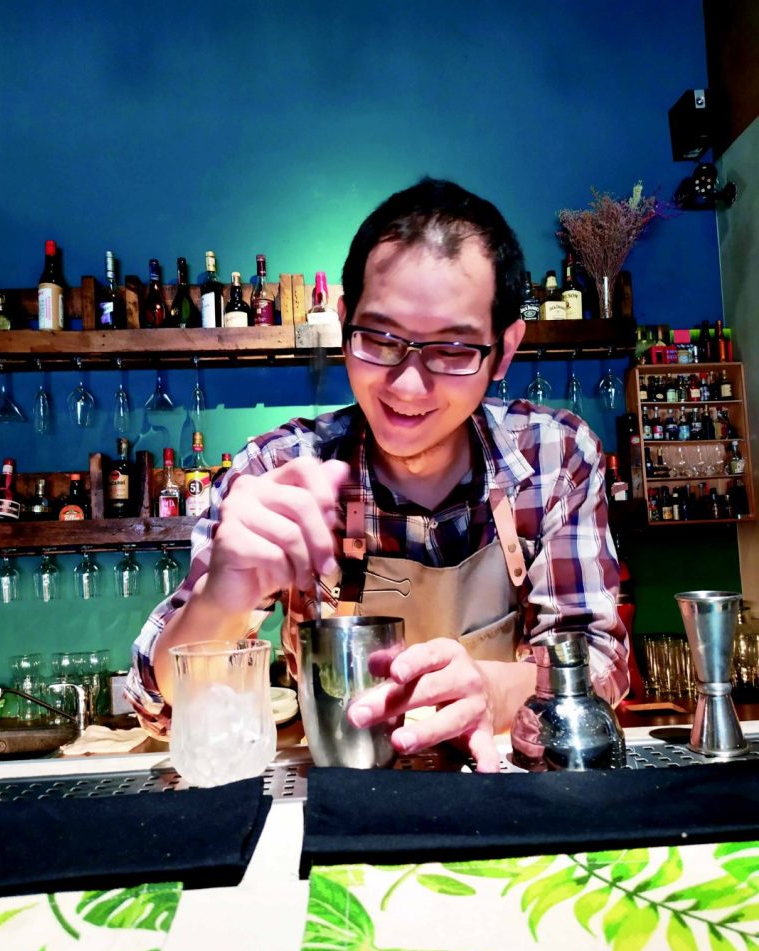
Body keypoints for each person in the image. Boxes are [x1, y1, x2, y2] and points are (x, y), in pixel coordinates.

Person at [128, 177, 629, 772]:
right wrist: (221, 600)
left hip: (504, 786)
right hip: (336, 796)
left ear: (505, 350)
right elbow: (160, 701)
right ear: (344, 324)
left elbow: (597, 662)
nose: (409, 386)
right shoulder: (281, 468)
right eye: (380, 339)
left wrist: (492, 692)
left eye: (453, 350)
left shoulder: (554, 456)